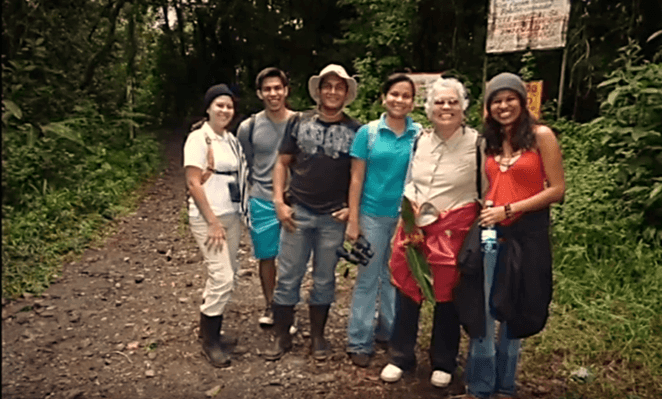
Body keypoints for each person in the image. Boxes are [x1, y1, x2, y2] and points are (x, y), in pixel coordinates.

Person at [461, 72, 565, 399]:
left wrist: (509, 209)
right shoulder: (491, 141)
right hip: (492, 232)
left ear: (522, 101)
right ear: (488, 107)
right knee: (485, 306)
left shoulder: (541, 136)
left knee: (514, 307)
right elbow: (495, 184)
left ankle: (505, 385)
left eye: (510, 99)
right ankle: (480, 387)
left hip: (527, 233)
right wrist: (492, 205)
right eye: (496, 100)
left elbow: (558, 190)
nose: (503, 106)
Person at [379, 77, 484, 388]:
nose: (446, 107)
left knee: (447, 295)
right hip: (416, 229)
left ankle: (444, 360)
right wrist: (410, 212)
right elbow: (411, 178)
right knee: (408, 291)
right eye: (440, 102)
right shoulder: (420, 140)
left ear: (464, 107)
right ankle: (400, 355)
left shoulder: (478, 144)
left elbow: (485, 191)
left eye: (453, 101)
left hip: (455, 231)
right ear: (429, 108)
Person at [264, 64, 361, 361]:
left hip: (333, 217)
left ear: (346, 93)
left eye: (339, 87)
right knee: (289, 275)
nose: (332, 91)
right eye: (327, 86)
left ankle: (318, 336)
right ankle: (282, 336)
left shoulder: (356, 130)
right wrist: (279, 202)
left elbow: (359, 175)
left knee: (324, 278)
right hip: (299, 212)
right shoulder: (299, 122)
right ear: (318, 91)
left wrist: (351, 210)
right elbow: (282, 163)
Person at [345, 74, 421, 368]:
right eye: (394, 94)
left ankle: (389, 332)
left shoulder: (420, 135)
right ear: (383, 97)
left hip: (406, 218)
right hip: (372, 214)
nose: (399, 100)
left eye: (406, 96)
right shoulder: (369, 133)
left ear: (413, 102)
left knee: (397, 278)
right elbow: (356, 177)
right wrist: (353, 219)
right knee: (367, 278)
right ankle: (359, 340)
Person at [184, 84, 248, 368]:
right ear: (208, 108)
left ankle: (210, 329)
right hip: (208, 217)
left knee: (228, 273)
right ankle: (209, 341)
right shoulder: (199, 139)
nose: (224, 110)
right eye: (219, 105)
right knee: (222, 276)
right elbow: (193, 182)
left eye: (229, 106)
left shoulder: (230, 140)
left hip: (231, 215)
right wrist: (211, 222)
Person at [237, 67, 295, 328]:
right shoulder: (248, 127)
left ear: (286, 90)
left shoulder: (300, 122)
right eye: (268, 89)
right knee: (266, 257)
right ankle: (271, 305)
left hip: (295, 199)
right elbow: (245, 162)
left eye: (278, 88)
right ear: (260, 93)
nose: (273, 93)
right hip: (260, 198)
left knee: (293, 258)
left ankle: (288, 307)